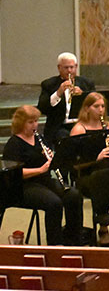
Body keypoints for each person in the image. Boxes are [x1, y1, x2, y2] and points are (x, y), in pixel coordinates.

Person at [3, 105, 84, 246]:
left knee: (74, 195)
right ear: (20, 123)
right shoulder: (14, 143)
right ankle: (55, 245)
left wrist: (52, 159)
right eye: (30, 122)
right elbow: (13, 173)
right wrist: (40, 170)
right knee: (54, 203)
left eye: (36, 121)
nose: (35, 125)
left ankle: (73, 240)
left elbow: (48, 163)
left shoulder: (39, 138)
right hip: (23, 186)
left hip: (43, 181)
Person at [38, 52, 95, 144]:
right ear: (59, 68)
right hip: (60, 126)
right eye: (66, 68)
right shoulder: (48, 84)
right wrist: (58, 93)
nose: (69, 71)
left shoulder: (87, 83)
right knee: (66, 139)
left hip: (82, 123)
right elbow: (42, 108)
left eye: (72, 67)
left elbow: (96, 104)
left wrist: (83, 96)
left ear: (76, 67)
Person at [69, 92, 109, 170]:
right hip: (87, 171)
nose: (100, 110)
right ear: (87, 109)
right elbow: (74, 162)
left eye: (103, 106)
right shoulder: (79, 129)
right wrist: (97, 158)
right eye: (96, 106)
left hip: (107, 168)